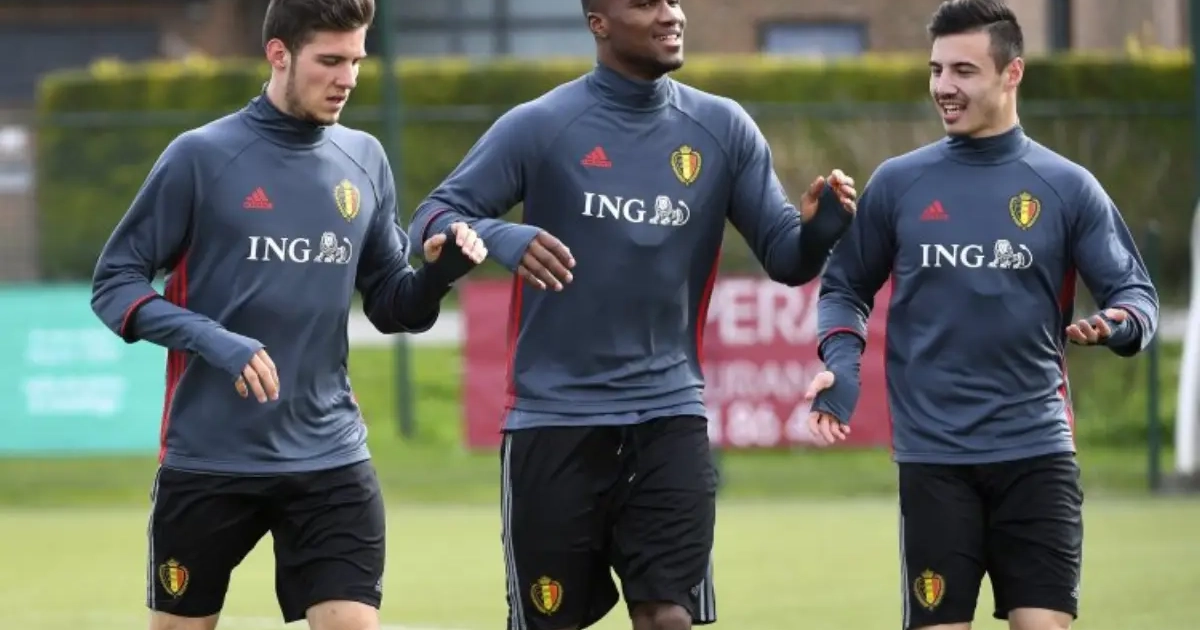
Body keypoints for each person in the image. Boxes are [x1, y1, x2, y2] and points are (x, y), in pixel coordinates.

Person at [407, 1, 857, 629]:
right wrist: (502, 238)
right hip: (554, 420)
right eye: (646, 3)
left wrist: (820, 230)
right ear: (598, 22)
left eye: (673, 0)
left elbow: (787, 257)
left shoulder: (722, 128)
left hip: (668, 415)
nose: (670, 14)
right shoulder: (542, 125)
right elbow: (430, 218)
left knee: (669, 616)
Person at [89, 1, 486, 629]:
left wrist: (439, 274)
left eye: (356, 60)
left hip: (329, 455)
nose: (347, 78)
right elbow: (115, 282)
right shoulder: (200, 157)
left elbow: (392, 306)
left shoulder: (365, 159)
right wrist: (213, 339)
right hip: (210, 457)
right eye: (330, 60)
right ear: (279, 54)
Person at [804, 2, 1160, 630]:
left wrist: (1118, 324)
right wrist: (842, 365)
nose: (944, 86)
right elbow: (843, 289)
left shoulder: (1067, 186)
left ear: (1012, 73)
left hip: (1037, 451)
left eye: (963, 71)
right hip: (934, 459)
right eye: (936, 70)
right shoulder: (899, 183)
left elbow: (1135, 294)